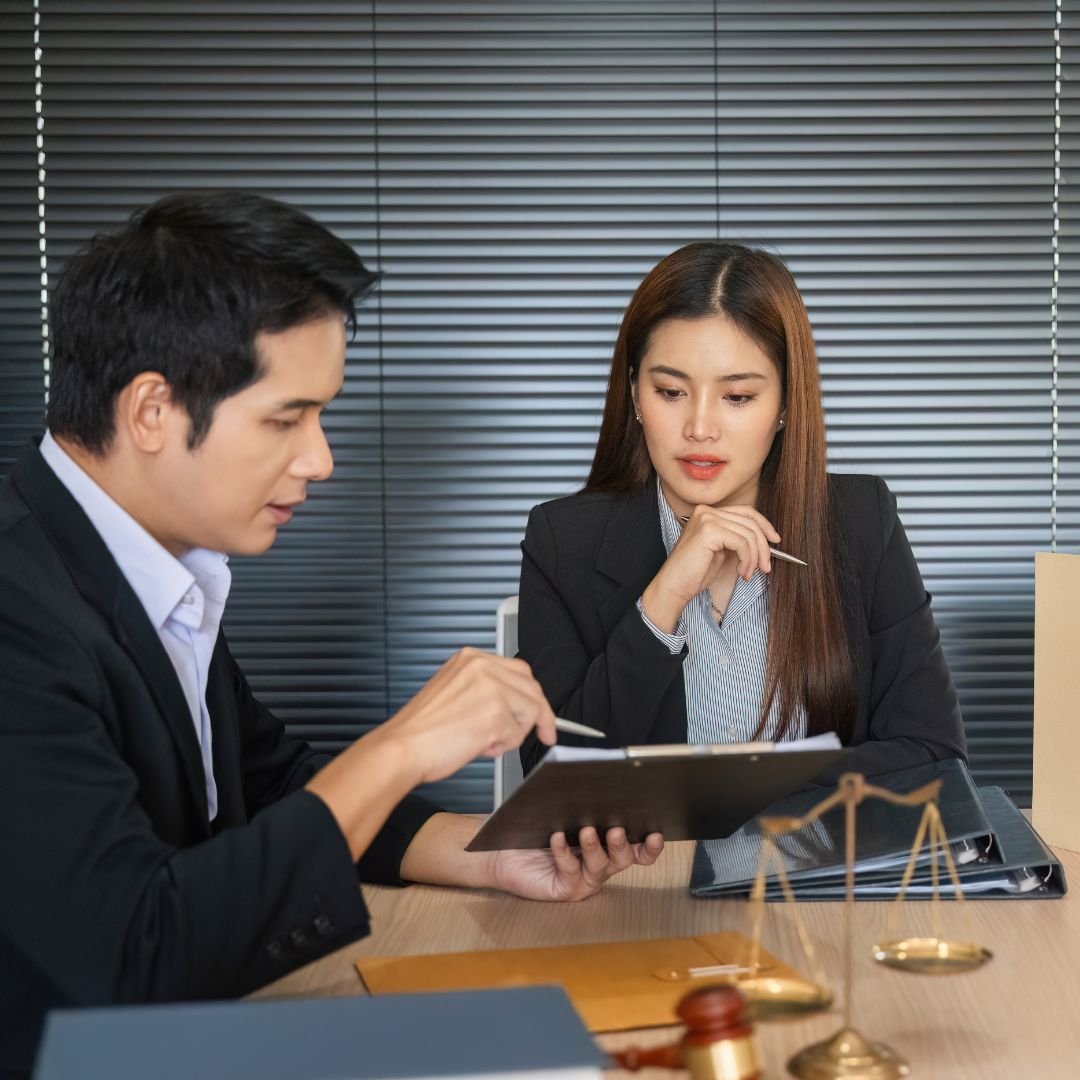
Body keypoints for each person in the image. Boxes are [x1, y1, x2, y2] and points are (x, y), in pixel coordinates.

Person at [0, 192, 663, 1078]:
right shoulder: (18, 608)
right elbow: (135, 955)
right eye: (286, 418)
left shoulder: (147, 563)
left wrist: (489, 858)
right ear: (152, 410)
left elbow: (269, 782)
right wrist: (402, 747)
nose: (320, 460)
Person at [517, 242, 967, 778]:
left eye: (737, 397)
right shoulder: (562, 541)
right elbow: (550, 774)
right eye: (670, 391)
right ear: (635, 394)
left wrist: (742, 789)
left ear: (785, 405)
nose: (700, 428)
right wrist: (662, 601)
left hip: (814, 838)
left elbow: (933, 754)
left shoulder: (862, 521)